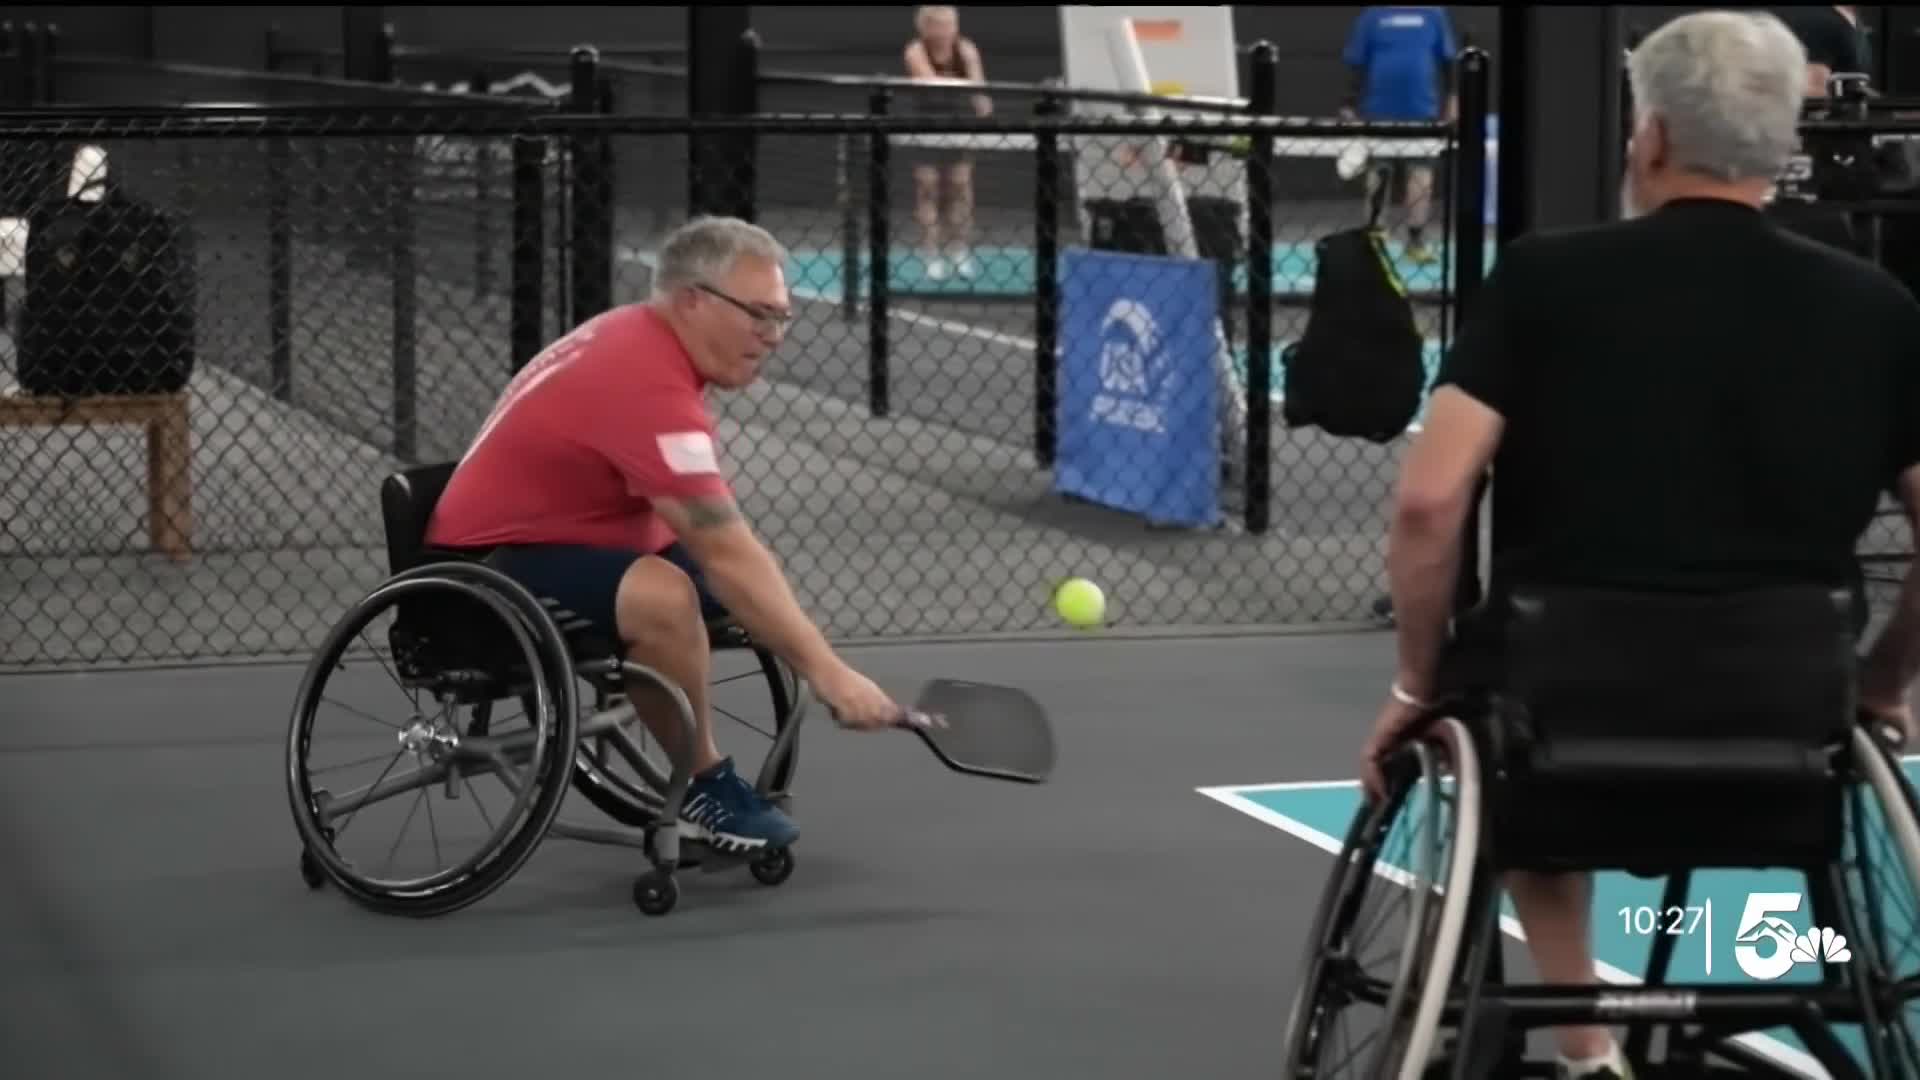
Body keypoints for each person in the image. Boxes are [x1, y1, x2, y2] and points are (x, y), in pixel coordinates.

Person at [1357, 11, 1920, 1080]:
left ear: (1651, 135)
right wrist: (1884, 680)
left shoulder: (1544, 279)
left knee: (1498, 722)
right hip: (1789, 701)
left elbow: (1431, 505)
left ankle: (1586, 1049)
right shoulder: (1879, 309)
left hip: (1562, 700)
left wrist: (1416, 681)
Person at [425, 215, 908, 857]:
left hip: (577, 536)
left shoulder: (645, 342)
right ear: (693, 301)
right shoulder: (642, 380)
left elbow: (731, 558)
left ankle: (663, 693)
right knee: (670, 596)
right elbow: (723, 548)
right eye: (759, 315)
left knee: (741, 592)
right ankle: (705, 785)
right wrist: (831, 675)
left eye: (782, 318)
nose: (773, 337)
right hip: (484, 571)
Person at [1339, 6, 1459, 264]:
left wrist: (1452, 99)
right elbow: (1357, 64)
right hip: (1378, 112)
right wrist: (1348, 103)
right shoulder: (1372, 16)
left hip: (1422, 112)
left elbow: (1448, 63)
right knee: (1378, 176)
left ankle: (1415, 241)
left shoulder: (1434, 15)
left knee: (1421, 177)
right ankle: (1375, 239)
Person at [903, 5, 990, 282]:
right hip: (926, 124)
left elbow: (978, 89)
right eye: (938, 25)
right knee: (928, 188)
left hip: (959, 123)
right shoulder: (915, 50)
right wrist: (961, 84)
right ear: (925, 27)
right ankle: (931, 255)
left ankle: (959, 251)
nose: (944, 31)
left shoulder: (966, 50)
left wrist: (980, 101)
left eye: (949, 25)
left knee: (960, 187)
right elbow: (930, 83)